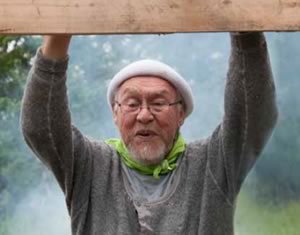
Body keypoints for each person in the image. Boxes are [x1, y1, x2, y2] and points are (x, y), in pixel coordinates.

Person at [21, 32, 278, 235]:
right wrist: (57, 38)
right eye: (132, 104)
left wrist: (246, 33)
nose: (144, 115)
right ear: (115, 113)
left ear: (181, 114)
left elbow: (254, 115)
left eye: (158, 103)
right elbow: (40, 129)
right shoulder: (90, 166)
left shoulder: (213, 164)